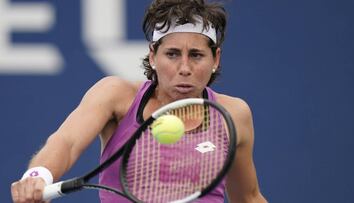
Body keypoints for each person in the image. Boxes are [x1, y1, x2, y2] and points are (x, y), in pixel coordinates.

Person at [11, 0, 267, 202]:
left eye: (197, 55)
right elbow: (66, 142)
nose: (184, 68)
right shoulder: (115, 95)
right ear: (153, 56)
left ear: (216, 60)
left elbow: (247, 197)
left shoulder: (233, 114)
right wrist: (38, 175)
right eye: (173, 54)